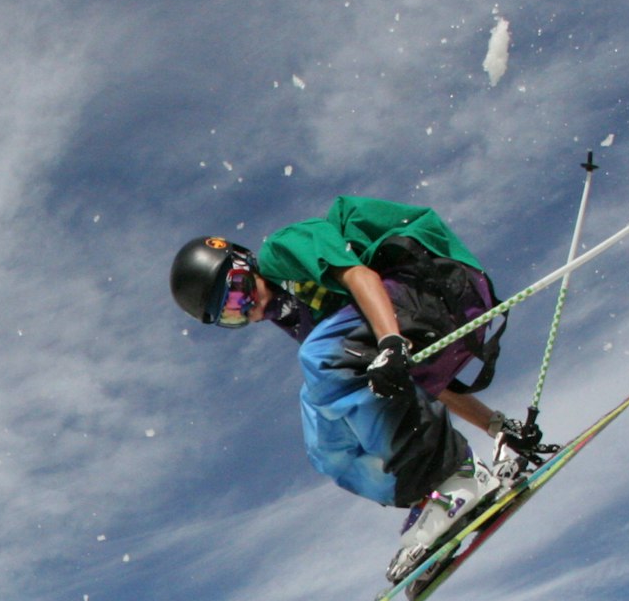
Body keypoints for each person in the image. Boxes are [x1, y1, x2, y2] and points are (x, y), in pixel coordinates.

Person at [170, 198, 548, 581]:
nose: (245, 307)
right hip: (410, 323)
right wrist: (498, 427)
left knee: (320, 358)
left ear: (245, 262)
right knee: (325, 441)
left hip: (433, 281)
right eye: (231, 315)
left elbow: (359, 278)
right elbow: (410, 380)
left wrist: (391, 343)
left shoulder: (281, 250)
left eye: (237, 291)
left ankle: (456, 475)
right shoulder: (299, 319)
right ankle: (434, 495)